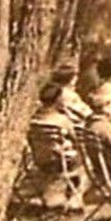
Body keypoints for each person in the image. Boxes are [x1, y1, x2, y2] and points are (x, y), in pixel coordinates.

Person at [29, 82, 85, 211]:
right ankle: (76, 200)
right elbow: (75, 139)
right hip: (59, 161)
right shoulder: (61, 120)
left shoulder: (34, 119)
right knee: (87, 163)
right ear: (58, 99)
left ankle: (63, 199)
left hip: (40, 160)